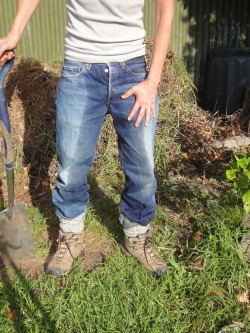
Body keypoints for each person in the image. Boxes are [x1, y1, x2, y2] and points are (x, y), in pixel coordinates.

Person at [0, 0, 174, 277]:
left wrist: (152, 83)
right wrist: (14, 34)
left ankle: (137, 235)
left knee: (142, 167)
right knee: (71, 165)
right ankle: (70, 236)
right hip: (79, 72)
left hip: (132, 73)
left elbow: (165, 13)